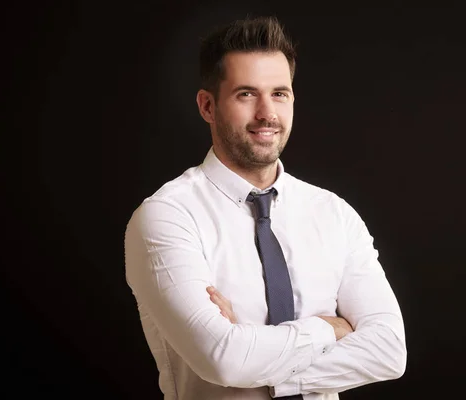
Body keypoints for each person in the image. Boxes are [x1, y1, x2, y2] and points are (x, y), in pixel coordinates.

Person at [124, 16, 406, 400]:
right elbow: (223, 360)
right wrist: (330, 329)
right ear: (208, 106)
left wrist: (261, 360)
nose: (266, 114)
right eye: (245, 94)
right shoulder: (168, 216)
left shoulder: (333, 214)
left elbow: (389, 351)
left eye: (279, 93)